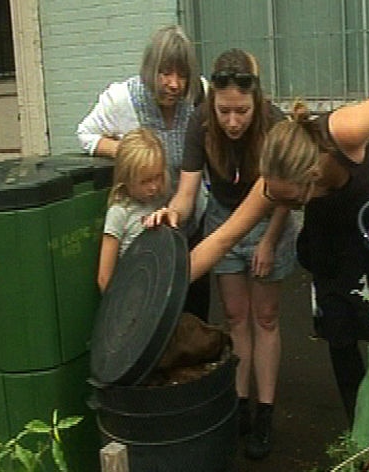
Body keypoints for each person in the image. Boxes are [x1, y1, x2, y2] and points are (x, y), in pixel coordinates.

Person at [154, 88, 369, 424]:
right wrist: (168, 288)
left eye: (288, 201)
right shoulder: (276, 180)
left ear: (310, 180)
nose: (279, 204)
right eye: (273, 196)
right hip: (331, 236)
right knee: (340, 332)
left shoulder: (346, 132)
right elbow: (221, 241)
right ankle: (361, 428)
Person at [145, 49, 297, 460]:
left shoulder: (275, 123)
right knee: (234, 316)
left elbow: (288, 192)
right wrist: (170, 214)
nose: (233, 121)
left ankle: (265, 411)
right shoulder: (201, 120)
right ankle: (239, 404)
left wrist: (268, 241)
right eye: (225, 110)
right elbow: (188, 190)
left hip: (269, 219)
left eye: (241, 111)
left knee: (265, 317)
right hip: (222, 218)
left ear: (256, 102)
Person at [77, 25, 211, 320]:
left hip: (191, 221)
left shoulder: (199, 94)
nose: (174, 84)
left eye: (182, 74)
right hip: (147, 227)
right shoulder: (122, 98)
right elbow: (85, 134)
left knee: (194, 312)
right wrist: (130, 155)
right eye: (165, 73)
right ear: (150, 69)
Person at [96, 128, 168, 292]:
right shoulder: (119, 211)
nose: (154, 187)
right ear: (126, 178)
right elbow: (104, 277)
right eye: (145, 181)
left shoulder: (157, 202)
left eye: (158, 177)